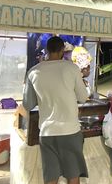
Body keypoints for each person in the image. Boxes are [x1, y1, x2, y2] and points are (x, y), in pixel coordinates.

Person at [22, 36, 89, 184]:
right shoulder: (72, 68)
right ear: (62, 50)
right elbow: (83, 98)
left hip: (47, 132)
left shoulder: (33, 72)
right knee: (73, 175)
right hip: (70, 131)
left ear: (46, 50)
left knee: (51, 176)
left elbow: (28, 104)